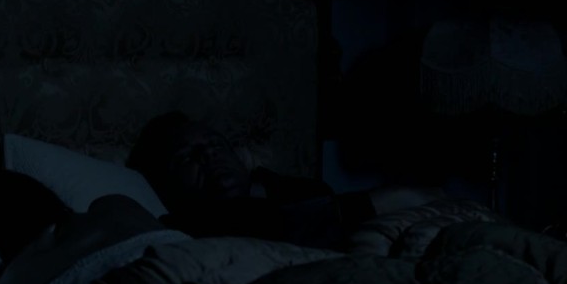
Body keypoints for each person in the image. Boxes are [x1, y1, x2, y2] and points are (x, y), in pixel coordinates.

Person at [127, 111, 446, 250]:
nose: (209, 157)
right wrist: (379, 202)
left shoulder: (303, 191)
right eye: (187, 157)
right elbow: (258, 223)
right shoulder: (177, 225)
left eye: (216, 146)